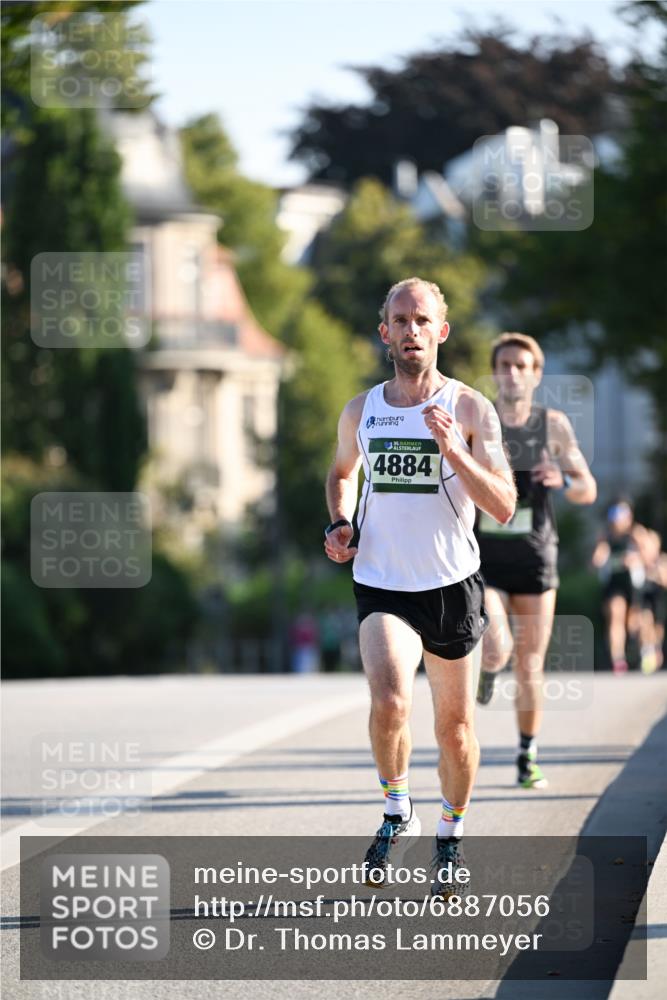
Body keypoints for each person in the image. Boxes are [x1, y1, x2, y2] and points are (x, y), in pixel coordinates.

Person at [323, 277, 515, 896]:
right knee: (391, 702)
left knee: (455, 730)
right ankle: (396, 806)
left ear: (441, 330)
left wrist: (455, 450)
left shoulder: (470, 408)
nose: (411, 330)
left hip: (451, 585)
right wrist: (341, 522)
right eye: (400, 320)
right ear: (385, 332)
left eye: (422, 320)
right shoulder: (362, 409)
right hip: (381, 582)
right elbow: (341, 473)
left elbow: (505, 505)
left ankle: (451, 833)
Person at [475, 333, 596, 789]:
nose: (511, 373)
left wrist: (563, 478)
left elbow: (589, 489)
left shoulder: (553, 425)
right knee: (498, 645)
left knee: (529, 664)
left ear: (536, 373)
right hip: (484, 558)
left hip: (535, 556)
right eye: (504, 364)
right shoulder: (478, 420)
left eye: (521, 365)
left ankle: (527, 756)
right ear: (495, 371)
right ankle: (488, 667)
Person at [591, 500, 647, 674]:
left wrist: (635, 558)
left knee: (633, 623)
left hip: (633, 585)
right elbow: (597, 559)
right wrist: (600, 556)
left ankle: (643, 650)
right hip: (614, 584)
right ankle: (618, 659)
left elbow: (649, 555)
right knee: (615, 616)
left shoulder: (636, 534)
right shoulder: (605, 536)